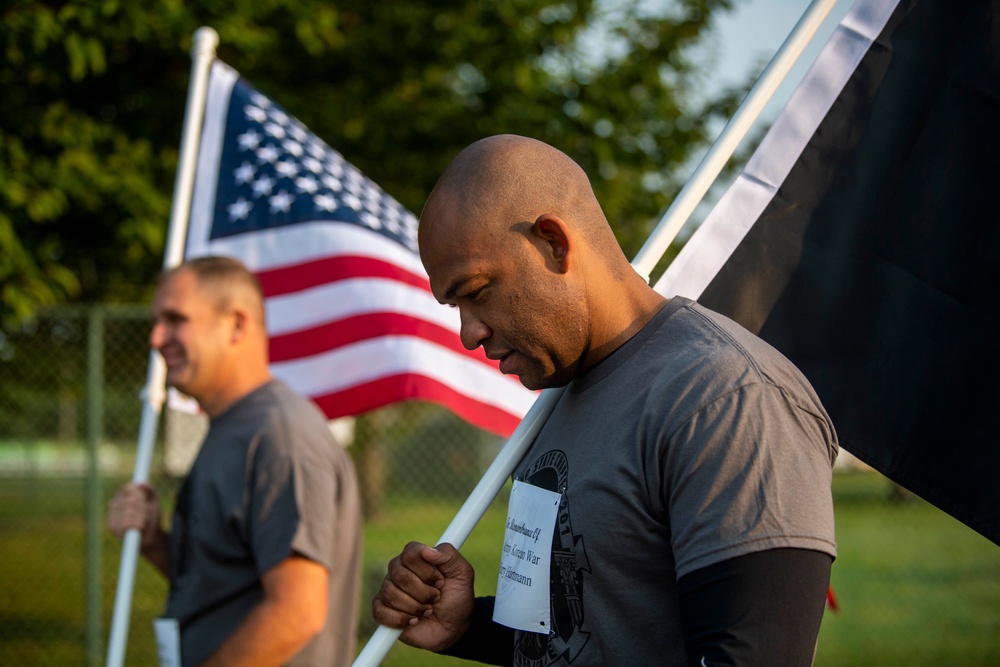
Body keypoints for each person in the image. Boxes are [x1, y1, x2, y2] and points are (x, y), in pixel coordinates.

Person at [371, 135, 838, 666]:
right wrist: (468, 627)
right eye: (454, 304)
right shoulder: (560, 395)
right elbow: (579, 636)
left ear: (553, 242)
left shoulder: (727, 397)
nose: (468, 333)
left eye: (475, 291)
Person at [108, 256, 362, 667]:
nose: (156, 338)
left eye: (175, 319)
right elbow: (225, 584)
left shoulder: (279, 434)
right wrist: (156, 543)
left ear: (237, 325)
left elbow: (296, 613)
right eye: (157, 321)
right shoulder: (235, 426)